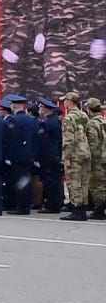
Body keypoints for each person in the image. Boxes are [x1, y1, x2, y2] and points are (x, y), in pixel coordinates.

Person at [60, 92, 92, 221]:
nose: (64, 103)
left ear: (70, 101)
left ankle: (77, 209)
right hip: (85, 151)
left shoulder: (68, 118)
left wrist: (67, 157)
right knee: (84, 181)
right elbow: (88, 133)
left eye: (65, 101)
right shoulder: (84, 115)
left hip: (74, 154)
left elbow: (68, 139)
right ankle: (83, 207)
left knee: (74, 182)